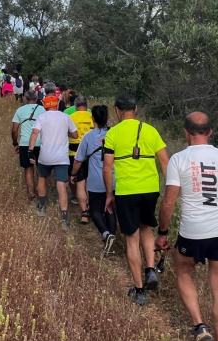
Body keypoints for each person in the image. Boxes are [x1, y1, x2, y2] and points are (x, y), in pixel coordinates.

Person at [156, 112, 218, 341]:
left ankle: (199, 326)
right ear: (210, 132)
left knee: (184, 272)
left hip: (192, 232)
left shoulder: (179, 159)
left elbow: (168, 202)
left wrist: (162, 233)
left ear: (186, 132)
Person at [102, 94, 170, 306]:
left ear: (117, 111)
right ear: (136, 109)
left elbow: (106, 167)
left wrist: (109, 195)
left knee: (131, 238)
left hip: (126, 190)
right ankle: (150, 269)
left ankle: (140, 290)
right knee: (146, 227)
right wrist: (169, 190)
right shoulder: (151, 130)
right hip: (150, 189)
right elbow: (166, 162)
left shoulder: (112, 134)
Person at [28, 83, 78, 230]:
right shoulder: (65, 117)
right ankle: (64, 218)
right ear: (57, 105)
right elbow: (75, 134)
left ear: (45, 105)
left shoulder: (42, 117)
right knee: (61, 184)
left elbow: (35, 133)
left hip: (45, 156)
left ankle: (41, 206)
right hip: (62, 157)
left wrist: (30, 150)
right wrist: (66, 133)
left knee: (42, 177)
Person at [71, 105, 117, 255]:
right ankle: (112, 239)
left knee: (96, 210)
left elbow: (78, 160)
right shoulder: (114, 133)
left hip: (96, 179)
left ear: (93, 119)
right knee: (110, 209)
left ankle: (106, 234)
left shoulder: (89, 136)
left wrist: (73, 174)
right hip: (115, 178)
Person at [12, 90, 46, 200]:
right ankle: (43, 192)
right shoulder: (42, 109)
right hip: (41, 142)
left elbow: (14, 130)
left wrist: (15, 143)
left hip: (25, 143)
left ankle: (31, 194)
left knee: (28, 168)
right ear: (36, 99)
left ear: (25, 99)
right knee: (41, 169)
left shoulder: (20, 110)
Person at [66, 96, 94, 219]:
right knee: (89, 181)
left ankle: (83, 211)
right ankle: (91, 206)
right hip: (91, 153)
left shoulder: (70, 117)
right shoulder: (93, 117)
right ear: (86, 106)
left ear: (75, 106)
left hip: (74, 153)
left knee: (79, 182)